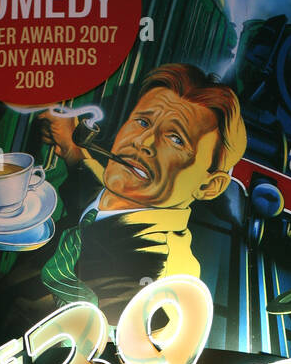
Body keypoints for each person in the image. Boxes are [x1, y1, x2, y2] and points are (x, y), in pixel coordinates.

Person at [31, 64, 247, 320]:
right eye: (143, 121)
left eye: (176, 139)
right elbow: (104, 203)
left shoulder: (157, 283)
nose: (142, 142)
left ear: (209, 186)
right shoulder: (132, 200)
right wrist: (70, 147)